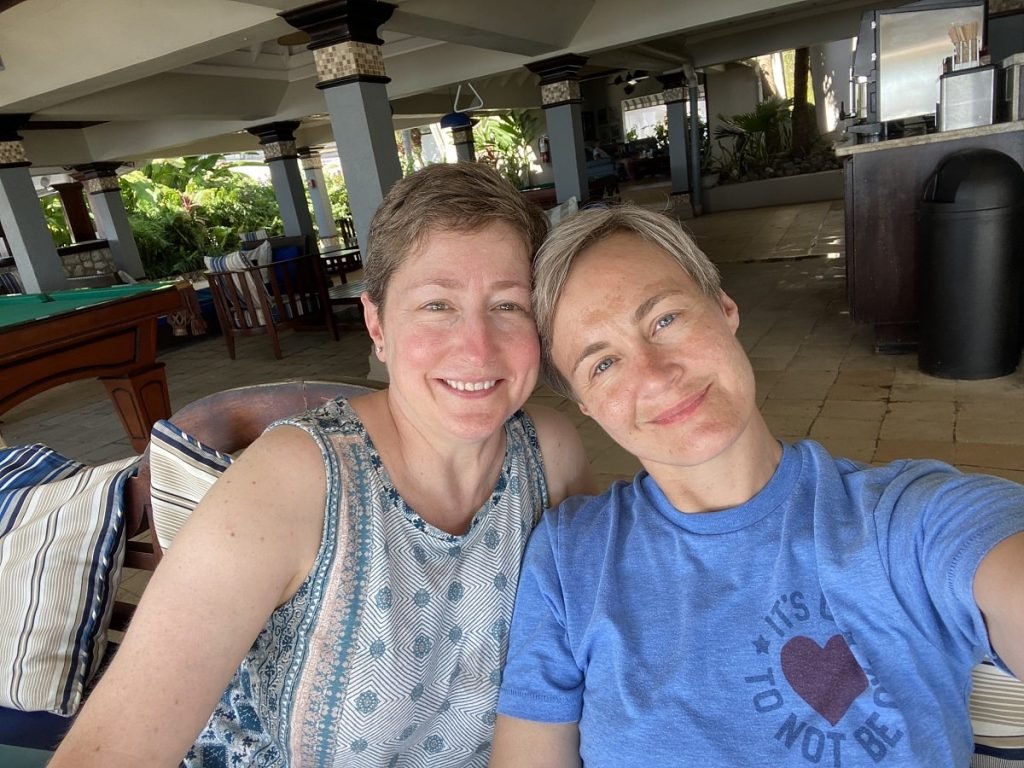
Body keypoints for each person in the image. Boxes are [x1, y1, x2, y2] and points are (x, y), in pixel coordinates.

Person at [50, 162, 593, 768]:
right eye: (437, 304)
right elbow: (111, 748)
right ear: (377, 324)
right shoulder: (293, 480)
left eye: (508, 305)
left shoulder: (551, 454)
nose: (477, 347)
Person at [489, 204, 1024, 767]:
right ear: (586, 406)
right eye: (603, 364)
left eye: (665, 319)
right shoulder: (570, 559)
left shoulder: (907, 522)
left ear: (724, 309)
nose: (655, 375)